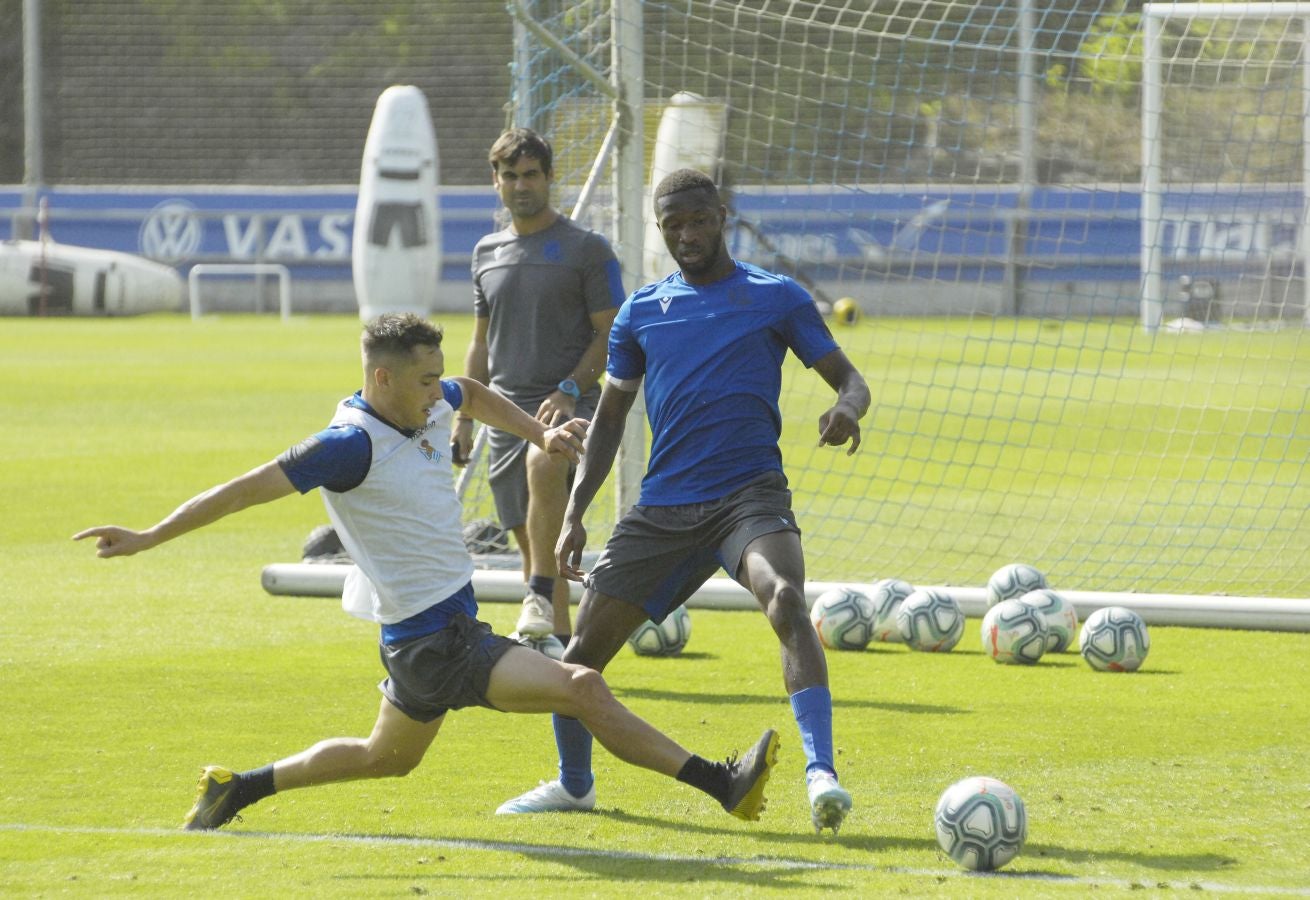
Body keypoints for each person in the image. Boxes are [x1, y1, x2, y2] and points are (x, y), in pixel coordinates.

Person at [73, 313, 778, 830]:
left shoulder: (429, 401)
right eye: (423, 379)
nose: (437, 392)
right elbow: (241, 491)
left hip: (425, 640)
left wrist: (541, 433)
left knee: (386, 756)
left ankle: (239, 788)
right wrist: (149, 536)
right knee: (581, 686)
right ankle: (724, 785)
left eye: (436, 375)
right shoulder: (346, 446)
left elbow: (471, 391)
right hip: (436, 642)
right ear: (381, 378)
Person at [497, 170, 871, 835]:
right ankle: (574, 786)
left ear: (721, 216)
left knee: (785, 597)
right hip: (663, 510)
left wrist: (846, 409)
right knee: (577, 660)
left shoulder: (775, 297)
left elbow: (850, 380)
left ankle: (822, 774)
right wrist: (577, 511)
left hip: (747, 498)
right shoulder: (641, 312)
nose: (687, 235)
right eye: (673, 225)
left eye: (698, 220)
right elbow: (609, 420)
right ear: (660, 229)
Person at [456, 127, 624, 643]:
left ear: (550, 177)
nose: (521, 185)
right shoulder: (486, 252)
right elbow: (480, 342)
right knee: (534, 543)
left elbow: (612, 333)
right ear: (496, 181)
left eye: (531, 174)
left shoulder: (587, 249)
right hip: (505, 413)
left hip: (570, 406)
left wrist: (569, 389)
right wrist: (464, 417)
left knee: (544, 462)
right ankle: (558, 643)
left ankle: (536, 601)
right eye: (510, 175)